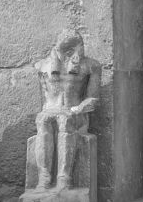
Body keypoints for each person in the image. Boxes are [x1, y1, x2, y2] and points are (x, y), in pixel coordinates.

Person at [32, 32, 101, 190]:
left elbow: (93, 99)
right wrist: (45, 112)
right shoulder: (42, 65)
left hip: (75, 113)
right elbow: (42, 101)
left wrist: (78, 109)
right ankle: (44, 177)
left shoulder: (91, 66)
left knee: (65, 120)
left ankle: (64, 177)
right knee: (43, 120)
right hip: (50, 111)